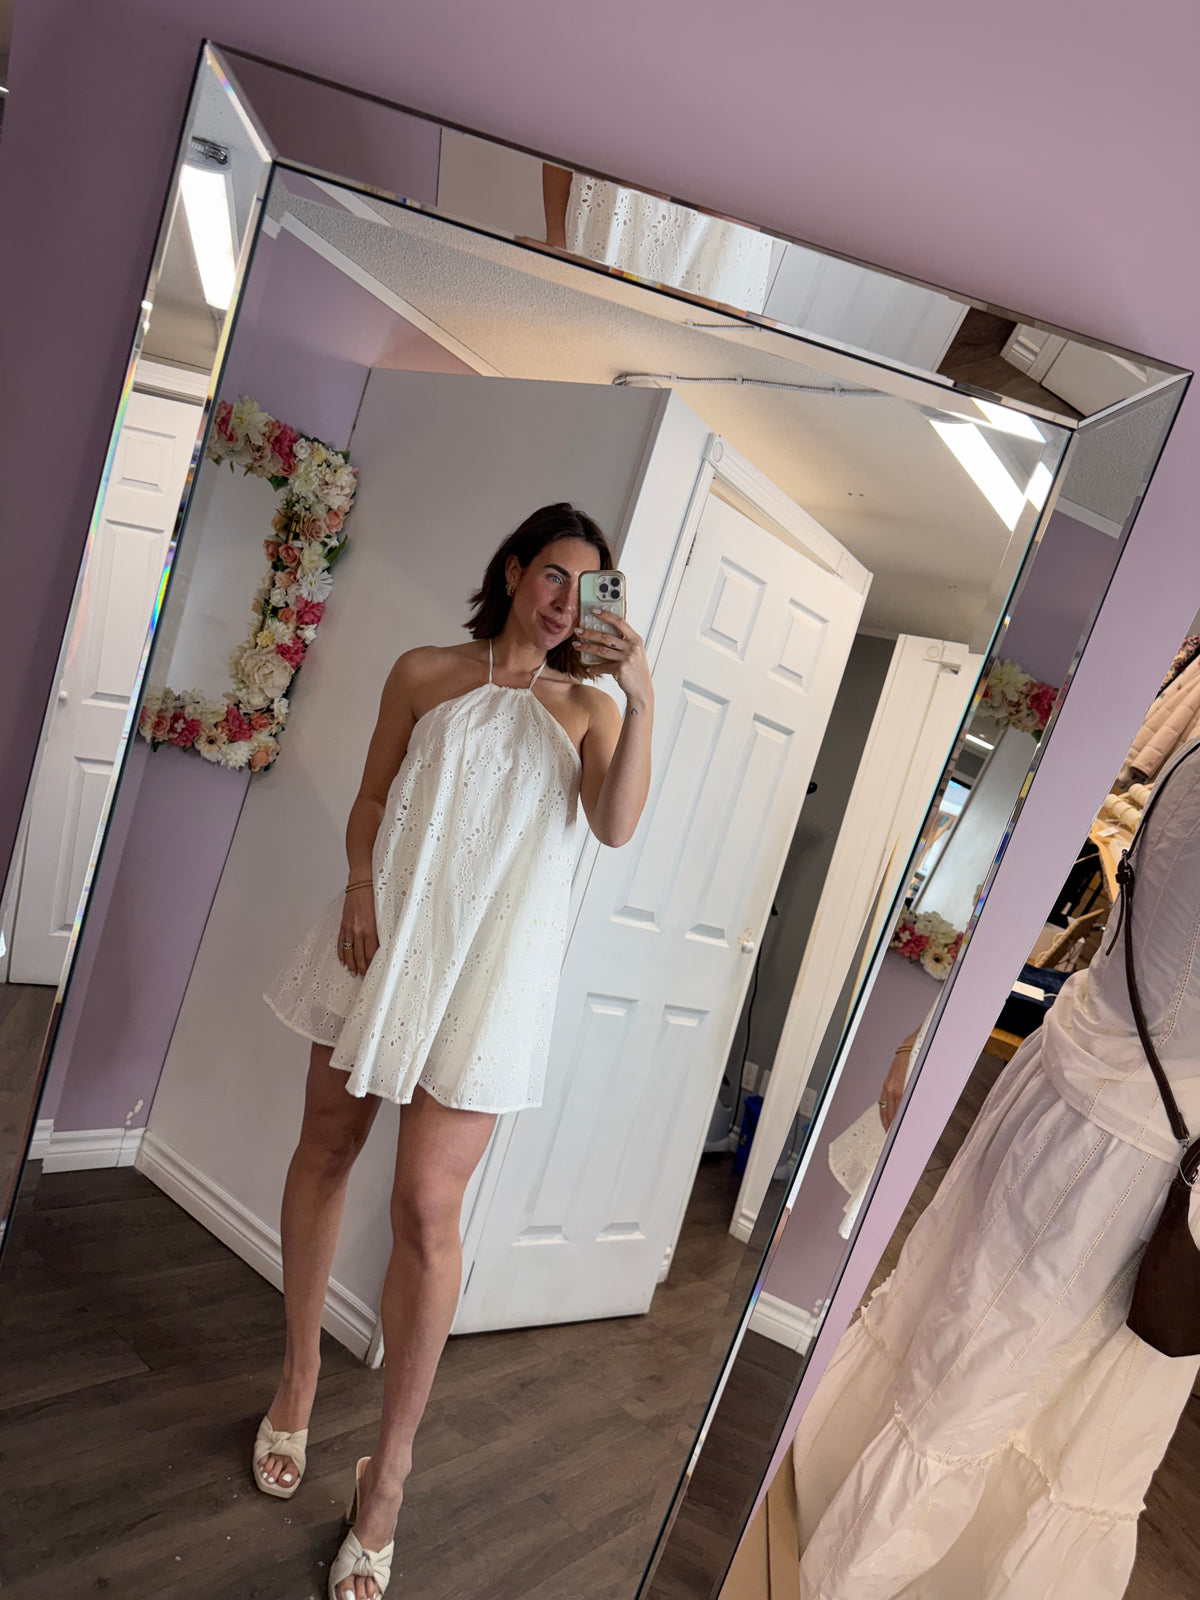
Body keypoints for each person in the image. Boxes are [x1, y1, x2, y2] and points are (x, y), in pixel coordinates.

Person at [255, 504, 654, 1600]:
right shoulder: (425, 671)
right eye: (555, 575)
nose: (567, 601)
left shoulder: (590, 710)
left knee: (428, 1211)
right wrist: (358, 884)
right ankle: (298, 1379)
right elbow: (372, 795)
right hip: (377, 941)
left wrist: (642, 693)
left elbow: (616, 826)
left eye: (590, 586)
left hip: (488, 981)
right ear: (516, 571)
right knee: (324, 1151)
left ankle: (388, 1476)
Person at [791, 739, 1200, 1600]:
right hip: (1133, 1152)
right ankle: (858, 1574)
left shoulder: (1189, 745)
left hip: (1080, 1084)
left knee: (975, 1335)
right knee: (993, 1368)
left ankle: (858, 1545)